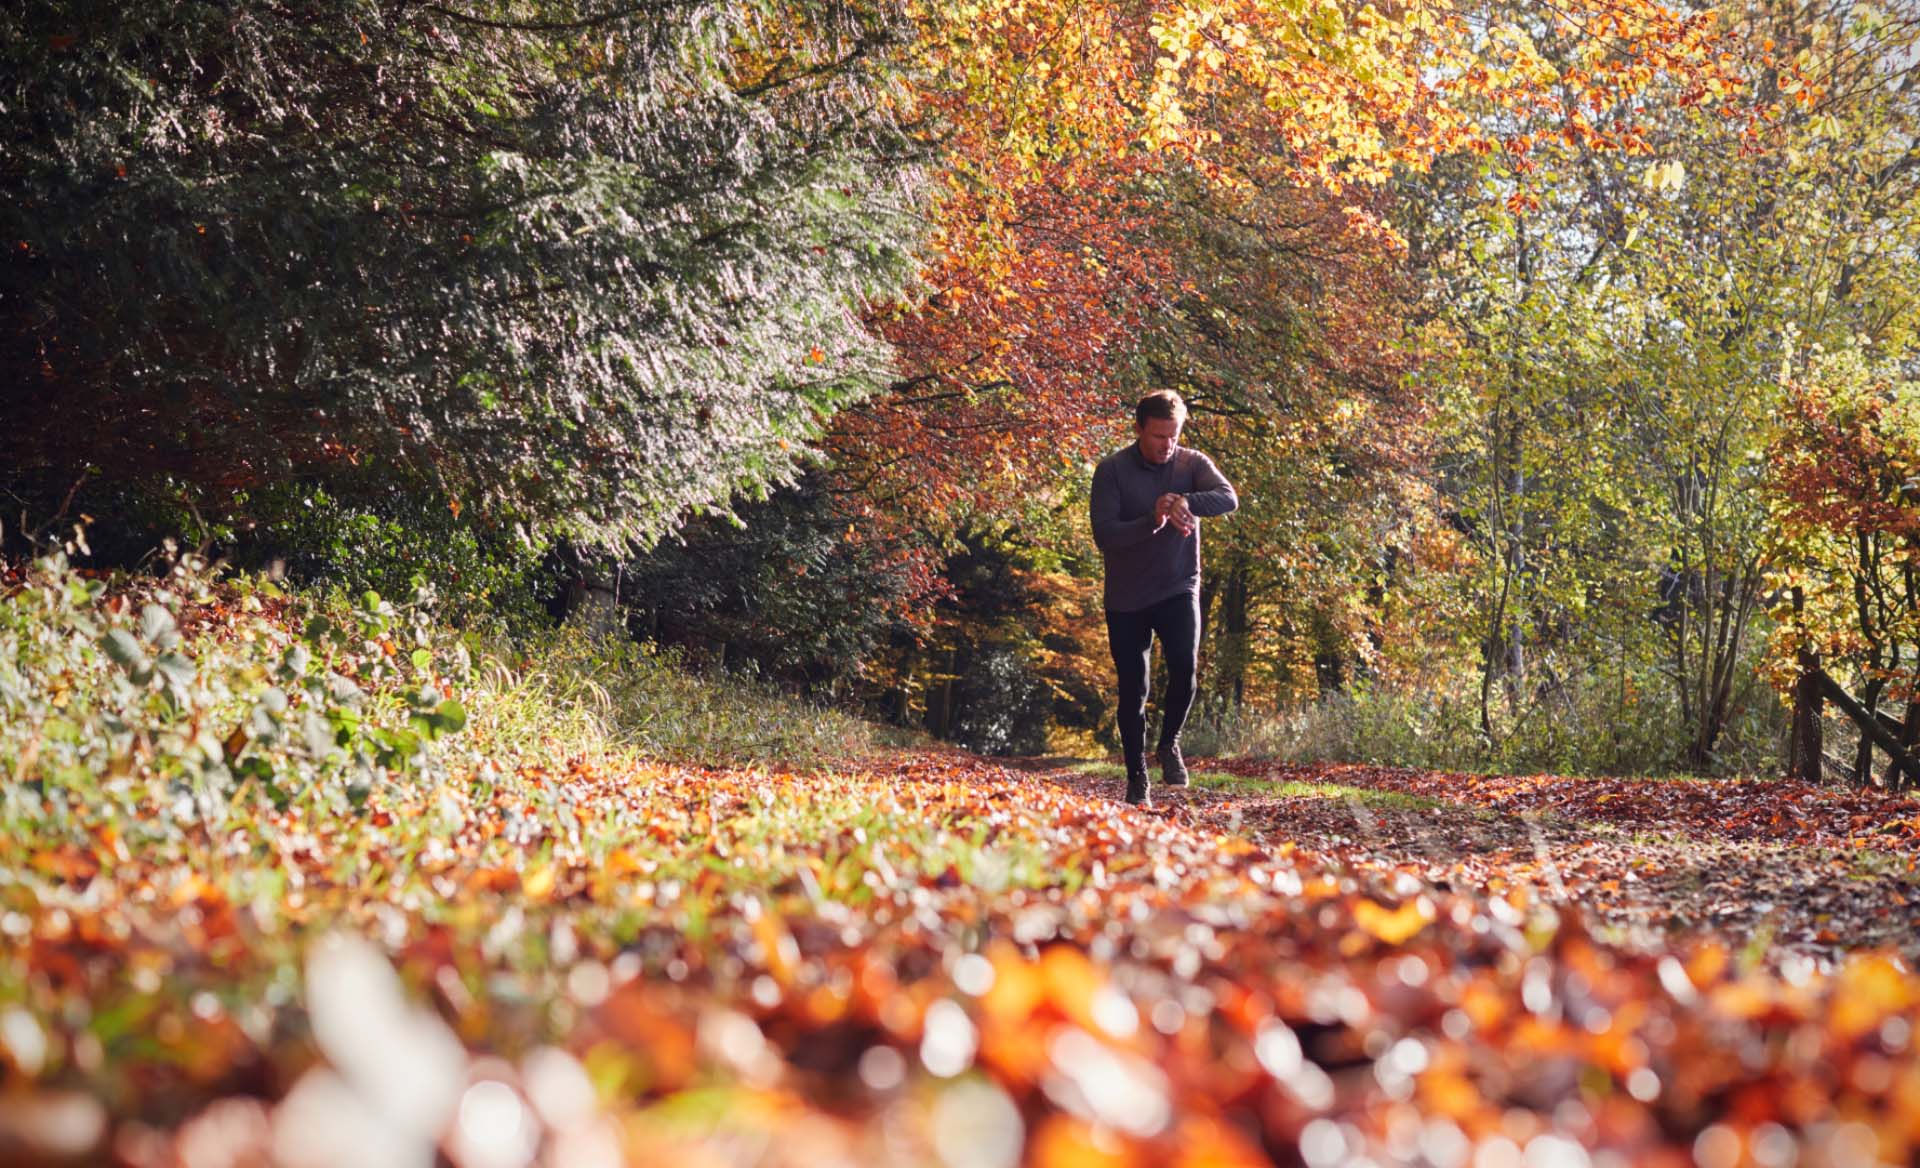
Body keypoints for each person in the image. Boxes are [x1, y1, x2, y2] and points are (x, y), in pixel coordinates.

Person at [1088, 390, 1238, 807]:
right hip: (1127, 596)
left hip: (1178, 585)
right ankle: (1137, 777)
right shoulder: (1112, 471)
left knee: (1185, 669)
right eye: (1158, 436)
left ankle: (1168, 743)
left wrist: (1187, 500)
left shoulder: (1192, 463)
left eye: (1173, 436)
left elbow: (1228, 498)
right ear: (1138, 430)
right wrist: (1152, 519)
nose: (1166, 445)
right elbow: (1106, 535)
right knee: (1134, 689)